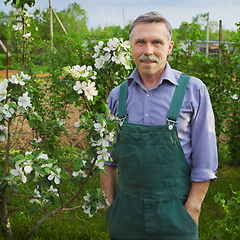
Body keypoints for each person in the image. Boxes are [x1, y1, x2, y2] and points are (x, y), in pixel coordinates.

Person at [100, 11, 218, 240]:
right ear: (131, 46)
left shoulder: (193, 91)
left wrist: (192, 208)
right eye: (140, 42)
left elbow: (205, 162)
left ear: (170, 47)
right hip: (126, 214)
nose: (148, 51)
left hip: (176, 213)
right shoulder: (117, 96)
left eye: (157, 42)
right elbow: (107, 160)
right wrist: (110, 206)